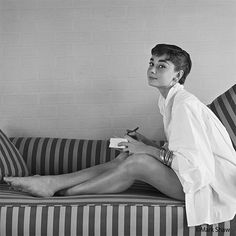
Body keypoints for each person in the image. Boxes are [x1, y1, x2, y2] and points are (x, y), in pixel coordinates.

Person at [4, 44, 236, 227]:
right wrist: (145, 142)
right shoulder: (167, 101)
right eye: (151, 62)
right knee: (126, 157)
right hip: (194, 178)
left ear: (177, 76)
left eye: (162, 66)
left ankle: (63, 192)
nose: (152, 69)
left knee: (139, 161)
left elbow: (196, 167)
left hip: (209, 188)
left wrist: (146, 151)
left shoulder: (184, 105)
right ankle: (51, 183)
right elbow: (183, 150)